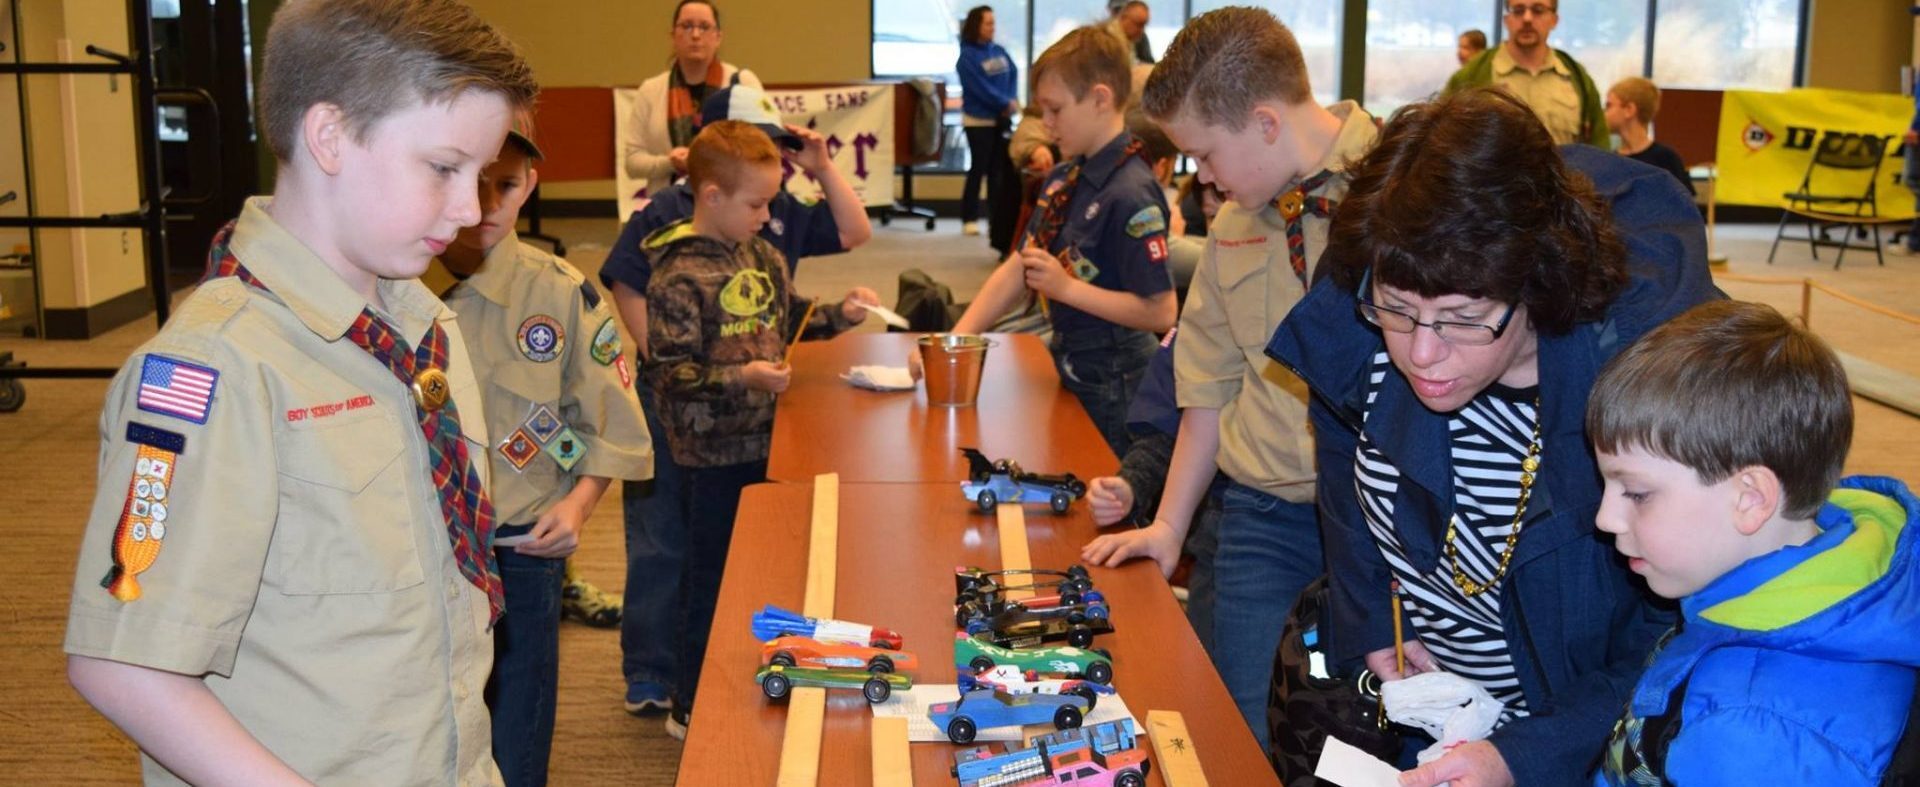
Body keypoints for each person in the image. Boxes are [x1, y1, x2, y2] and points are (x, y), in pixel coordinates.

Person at [61, 1, 536, 783]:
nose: (471, 208)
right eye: (445, 168)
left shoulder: (422, 328)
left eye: (481, 176)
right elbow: (123, 663)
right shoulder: (213, 371)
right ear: (329, 137)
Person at [1266, 88, 1718, 787]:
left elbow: (1674, 635)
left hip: (1570, 745)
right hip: (1437, 724)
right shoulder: (1383, 273)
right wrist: (1371, 621)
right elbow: (1340, 458)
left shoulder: (1640, 395)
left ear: (1535, 282)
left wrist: (1526, 754)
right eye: (1398, 310)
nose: (1420, 352)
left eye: (1463, 316)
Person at [1078, 6, 1380, 749]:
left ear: (1266, 122)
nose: (1199, 178)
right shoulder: (1239, 222)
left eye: (1205, 155)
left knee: (1371, 731)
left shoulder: (1401, 190)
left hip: (1385, 527)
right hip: (1265, 514)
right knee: (1239, 723)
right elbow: (1207, 388)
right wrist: (1169, 525)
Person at [600, 83, 872, 718]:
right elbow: (670, 374)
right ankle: (690, 701)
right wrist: (742, 378)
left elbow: (793, 317)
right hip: (705, 454)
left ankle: (746, 677)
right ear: (712, 196)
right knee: (705, 579)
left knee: (758, 569)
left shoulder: (764, 256)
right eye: (755, 204)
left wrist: (842, 313)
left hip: (763, 442)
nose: (764, 215)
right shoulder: (675, 272)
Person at [1584, 300, 1920, 785]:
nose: (1606, 518)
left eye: (1636, 493)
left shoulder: (1751, 731)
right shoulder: (1826, 569)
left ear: (1750, 500)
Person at [427, 115, 653, 786]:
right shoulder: (393, 284)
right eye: (474, 180)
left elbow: (612, 419)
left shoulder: (559, 293)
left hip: (521, 539)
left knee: (520, 693)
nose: (488, 203)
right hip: (420, 538)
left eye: (508, 183)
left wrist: (580, 506)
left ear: (531, 184)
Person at [949, 26, 1177, 458]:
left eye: (1055, 110)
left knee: (1104, 495)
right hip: (1071, 359)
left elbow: (1160, 311)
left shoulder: (1130, 192)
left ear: (1100, 98)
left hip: (1117, 377)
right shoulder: (1065, 177)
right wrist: (957, 338)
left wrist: (1066, 288)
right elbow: (1021, 266)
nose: (1046, 124)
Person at [621, 0, 763, 203]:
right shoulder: (650, 90)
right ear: (673, 36)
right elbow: (632, 162)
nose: (695, 35)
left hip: (731, 209)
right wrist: (670, 162)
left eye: (704, 27)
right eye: (687, 26)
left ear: (718, 37)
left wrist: (709, 160)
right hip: (669, 209)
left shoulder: (742, 83)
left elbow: (766, 152)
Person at [1446, 1, 1608, 148]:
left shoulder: (1577, 78)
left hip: (1566, 180)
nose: (1527, 18)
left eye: (1538, 10)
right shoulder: (1471, 76)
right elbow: (1442, 140)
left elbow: (1601, 151)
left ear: (1554, 20)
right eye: (1518, 10)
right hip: (1492, 180)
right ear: (1507, 20)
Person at [957, 5, 1020, 240]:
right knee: (978, 169)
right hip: (978, 121)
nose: (993, 28)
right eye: (988, 23)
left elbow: (1012, 73)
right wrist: (1002, 102)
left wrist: (1011, 100)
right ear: (976, 25)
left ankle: (997, 219)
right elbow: (978, 88)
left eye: (994, 23)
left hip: (1001, 120)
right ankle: (969, 217)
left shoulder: (999, 51)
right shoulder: (967, 57)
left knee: (998, 173)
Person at [1604, 77, 1694, 196]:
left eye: (1609, 105)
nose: (1604, 112)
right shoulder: (1610, 160)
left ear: (1629, 110)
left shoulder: (1666, 159)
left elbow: (1684, 205)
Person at [1106, 0, 1154, 65]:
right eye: (1116, 10)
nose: (1141, 30)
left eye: (1143, 25)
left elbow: (1149, 62)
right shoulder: (1104, 39)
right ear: (1124, 16)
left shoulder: (1139, 37)